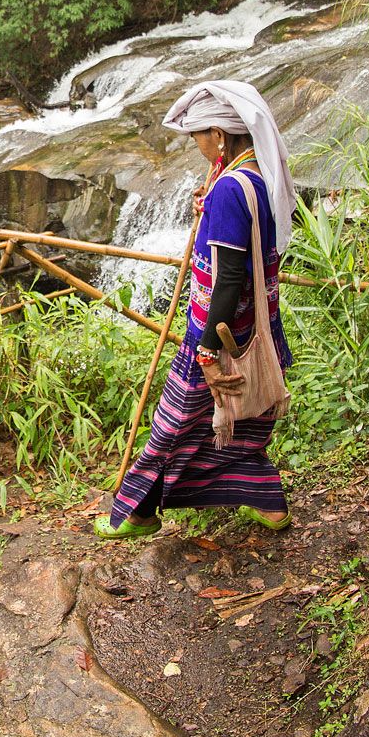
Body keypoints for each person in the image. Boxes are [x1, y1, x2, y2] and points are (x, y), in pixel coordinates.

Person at [97, 79, 298, 539]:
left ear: (221, 135)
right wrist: (206, 211)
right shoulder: (256, 179)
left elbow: (228, 279)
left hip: (217, 334)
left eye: (199, 136)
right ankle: (268, 504)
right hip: (254, 327)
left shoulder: (229, 189)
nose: (196, 145)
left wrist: (207, 354)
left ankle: (140, 513)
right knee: (243, 425)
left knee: (172, 427)